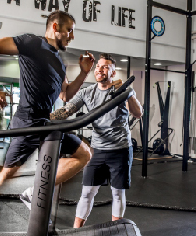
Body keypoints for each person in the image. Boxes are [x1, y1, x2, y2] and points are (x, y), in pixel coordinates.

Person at [0, 10, 95, 235]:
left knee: (84, 153)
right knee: (6, 175)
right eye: (69, 31)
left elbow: (66, 94)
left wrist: (84, 73)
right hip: (27, 122)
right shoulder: (32, 43)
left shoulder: (59, 61)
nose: (71, 36)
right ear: (55, 28)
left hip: (45, 123)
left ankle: (35, 191)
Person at [49, 53, 142, 228]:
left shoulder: (124, 91)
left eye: (105, 67)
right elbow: (66, 110)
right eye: (98, 66)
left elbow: (138, 113)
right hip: (97, 149)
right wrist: (45, 119)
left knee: (117, 193)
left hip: (120, 148)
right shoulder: (87, 92)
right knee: (87, 192)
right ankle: (77, 230)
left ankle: (116, 229)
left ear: (113, 73)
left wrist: (127, 93)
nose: (100, 69)